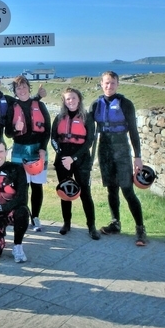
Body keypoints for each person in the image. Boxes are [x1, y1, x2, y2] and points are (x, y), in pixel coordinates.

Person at [89, 71, 147, 246]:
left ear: (118, 84)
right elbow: (88, 131)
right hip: (104, 149)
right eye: (106, 83)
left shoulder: (126, 104)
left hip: (121, 149)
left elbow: (134, 132)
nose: (109, 86)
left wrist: (137, 156)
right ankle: (115, 223)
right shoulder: (95, 105)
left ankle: (140, 229)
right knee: (111, 189)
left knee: (127, 190)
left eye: (112, 83)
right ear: (101, 84)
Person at [50, 87, 100, 240]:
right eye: (67, 99)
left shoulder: (87, 118)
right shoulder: (59, 118)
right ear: (64, 101)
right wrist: (62, 156)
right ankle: (66, 223)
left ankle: (91, 226)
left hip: (81, 159)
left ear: (79, 99)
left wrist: (74, 158)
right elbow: (53, 139)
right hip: (62, 159)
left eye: (73, 98)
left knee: (85, 192)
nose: (70, 101)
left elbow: (89, 141)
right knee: (65, 193)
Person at [5, 76, 51, 232]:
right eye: (18, 88)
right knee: (20, 186)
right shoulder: (12, 107)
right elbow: (8, 133)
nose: (22, 90)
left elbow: (47, 130)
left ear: (29, 88)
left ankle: (35, 217)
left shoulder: (40, 105)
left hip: (38, 150)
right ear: (15, 91)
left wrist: (44, 148)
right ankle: (20, 215)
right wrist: (16, 128)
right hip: (19, 150)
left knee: (37, 186)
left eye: (24, 87)